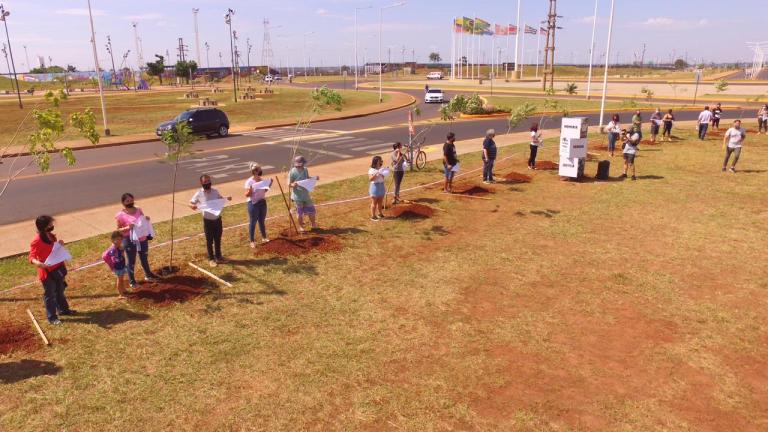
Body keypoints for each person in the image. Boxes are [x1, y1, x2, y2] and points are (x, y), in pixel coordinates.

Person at [29, 215, 73, 325]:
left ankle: (64, 310)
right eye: (50, 225)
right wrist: (38, 263)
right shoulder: (36, 241)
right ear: (43, 227)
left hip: (58, 268)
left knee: (60, 290)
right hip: (47, 272)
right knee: (50, 295)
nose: (52, 226)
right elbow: (31, 257)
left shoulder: (51, 236)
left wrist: (60, 244)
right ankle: (52, 317)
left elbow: (54, 250)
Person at [116, 193, 160, 288]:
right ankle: (132, 281)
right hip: (129, 240)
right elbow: (118, 229)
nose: (130, 202)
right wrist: (128, 227)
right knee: (131, 261)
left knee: (144, 257)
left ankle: (148, 275)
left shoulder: (139, 210)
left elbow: (142, 220)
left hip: (142, 238)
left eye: (131, 200)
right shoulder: (120, 215)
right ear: (123, 202)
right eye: (127, 201)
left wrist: (146, 219)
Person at [190, 175, 232, 267]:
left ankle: (219, 257)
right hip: (208, 221)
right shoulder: (199, 194)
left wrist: (226, 198)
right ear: (201, 183)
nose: (207, 183)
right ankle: (211, 259)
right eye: (205, 182)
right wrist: (192, 206)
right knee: (209, 241)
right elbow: (191, 203)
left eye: (209, 181)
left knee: (218, 239)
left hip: (217, 220)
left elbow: (220, 198)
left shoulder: (215, 191)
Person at [288, 155, 319, 232]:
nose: (300, 166)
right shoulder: (292, 172)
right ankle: (301, 226)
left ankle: (313, 224)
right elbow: (289, 184)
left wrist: (314, 178)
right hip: (297, 196)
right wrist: (293, 184)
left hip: (305, 194)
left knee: (311, 209)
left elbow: (307, 178)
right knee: (300, 211)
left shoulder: (305, 170)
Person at [244, 163, 271, 248]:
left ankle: (264, 237)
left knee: (262, 221)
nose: (260, 171)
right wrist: (251, 190)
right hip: (253, 204)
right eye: (259, 169)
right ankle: (252, 241)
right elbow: (247, 195)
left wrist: (269, 184)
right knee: (253, 222)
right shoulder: (249, 182)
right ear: (254, 171)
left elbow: (264, 191)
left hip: (262, 202)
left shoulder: (261, 179)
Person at [103, 231, 129, 299]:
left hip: (122, 265)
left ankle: (123, 290)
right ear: (112, 240)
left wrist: (122, 249)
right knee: (119, 280)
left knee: (121, 279)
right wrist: (112, 266)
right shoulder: (113, 249)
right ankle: (121, 294)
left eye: (120, 239)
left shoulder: (119, 246)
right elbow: (108, 257)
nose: (119, 241)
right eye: (117, 239)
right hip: (118, 267)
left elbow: (122, 253)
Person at [368, 156, 386, 221]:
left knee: (380, 202)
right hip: (374, 186)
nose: (381, 161)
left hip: (381, 185)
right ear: (375, 161)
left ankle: (380, 213)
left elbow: (383, 178)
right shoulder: (371, 170)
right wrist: (376, 174)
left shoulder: (381, 168)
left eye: (381, 160)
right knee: (374, 202)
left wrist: (384, 172)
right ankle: (373, 216)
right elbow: (370, 179)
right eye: (379, 160)